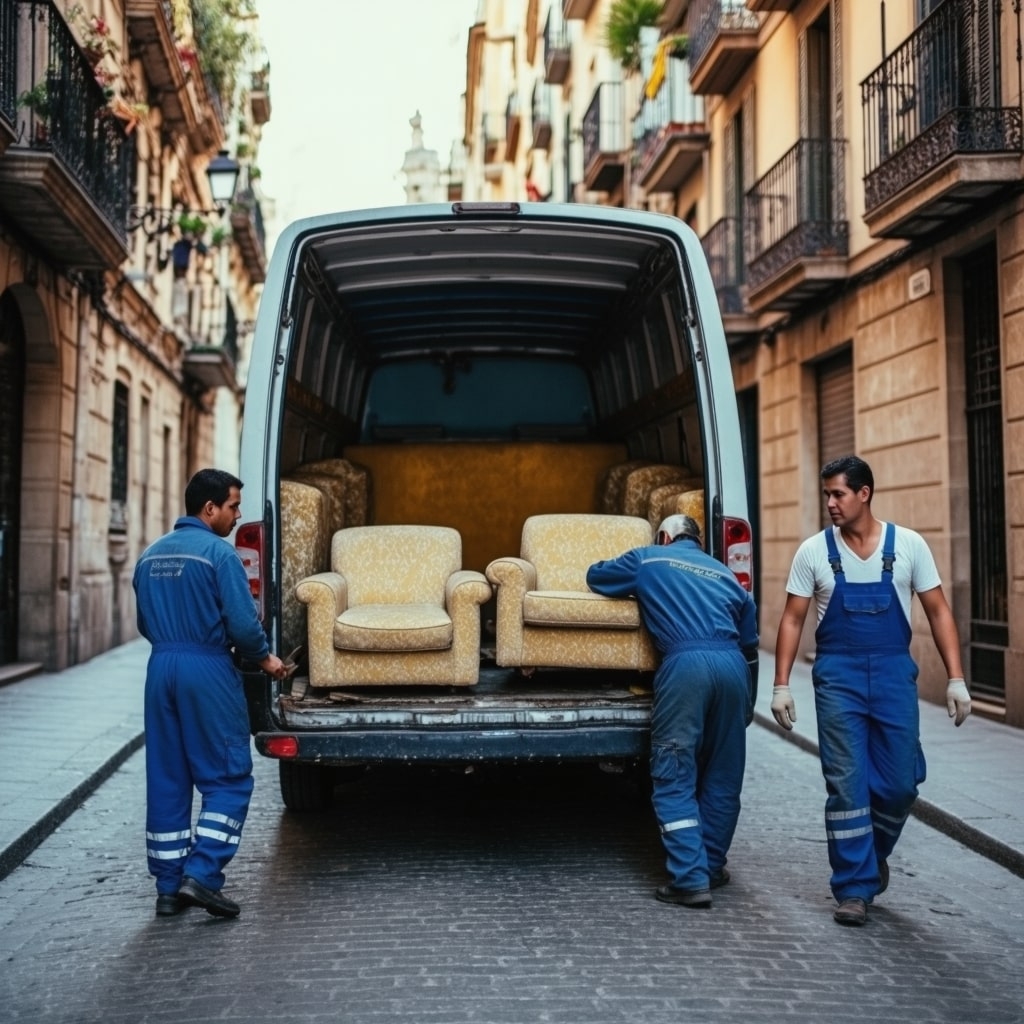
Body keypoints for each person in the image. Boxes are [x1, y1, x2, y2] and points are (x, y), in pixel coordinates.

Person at [771, 454, 971, 927]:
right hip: (837, 679)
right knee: (847, 786)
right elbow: (793, 618)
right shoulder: (814, 552)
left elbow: (939, 611)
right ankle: (854, 888)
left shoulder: (909, 547)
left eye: (838, 493)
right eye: (827, 495)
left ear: (864, 493)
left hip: (892, 677)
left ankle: (872, 855)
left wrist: (957, 677)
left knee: (901, 783)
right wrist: (780, 685)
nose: (831, 503)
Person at [133, 468, 288, 919]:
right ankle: (201, 875)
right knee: (228, 776)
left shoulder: (149, 556)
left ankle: (167, 887)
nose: (238, 516)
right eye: (234, 507)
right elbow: (243, 624)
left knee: (168, 777)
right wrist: (266, 659)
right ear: (210, 508)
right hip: (206, 667)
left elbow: (144, 623)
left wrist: (172, 643)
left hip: (161, 666)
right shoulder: (219, 555)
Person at [587, 514, 759, 908]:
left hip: (686, 668)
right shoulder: (726, 575)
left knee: (674, 770)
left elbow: (596, 576)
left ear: (665, 536)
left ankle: (689, 879)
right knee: (722, 773)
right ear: (699, 540)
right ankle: (712, 868)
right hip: (733, 667)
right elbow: (749, 642)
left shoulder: (649, 559)